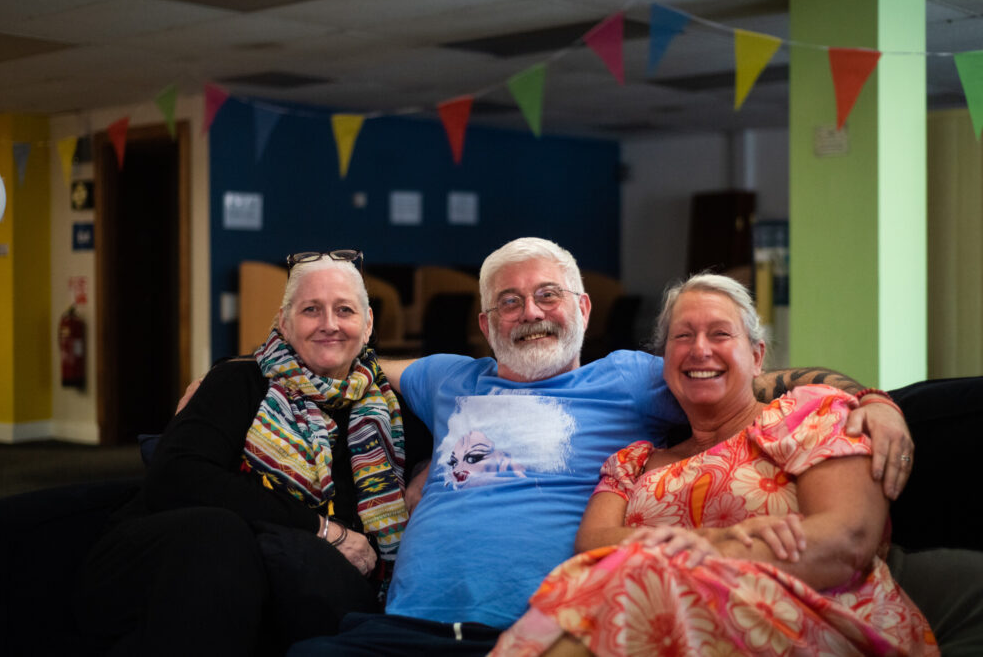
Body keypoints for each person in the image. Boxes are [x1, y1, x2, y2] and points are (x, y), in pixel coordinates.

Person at [292, 238, 912, 656]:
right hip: (399, 626)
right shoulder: (448, 377)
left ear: (583, 309)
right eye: (508, 302)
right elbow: (343, 359)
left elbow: (741, 377)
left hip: (533, 630)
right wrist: (236, 376)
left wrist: (875, 401)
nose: (529, 312)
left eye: (547, 295)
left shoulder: (632, 377)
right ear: (486, 325)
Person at [491, 273, 937, 655]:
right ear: (663, 362)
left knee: (643, 577)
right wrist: (718, 537)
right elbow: (592, 548)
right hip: (651, 616)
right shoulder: (632, 463)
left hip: (813, 616)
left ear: (757, 356)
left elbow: (847, 541)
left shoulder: (811, 414)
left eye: (720, 334)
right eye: (682, 336)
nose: (699, 349)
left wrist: (688, 558)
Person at [74, 250, 428, 656]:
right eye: (311, 309)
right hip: (174, 558)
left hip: (290, 580)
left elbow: (473, 412)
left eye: (344, 310)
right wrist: (322, 530)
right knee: (221, 537)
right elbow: (177, 477)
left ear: (367, 326)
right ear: (284, 322)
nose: (329, 324)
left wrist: (426, 467)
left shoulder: (388, 406)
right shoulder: (239, 381)